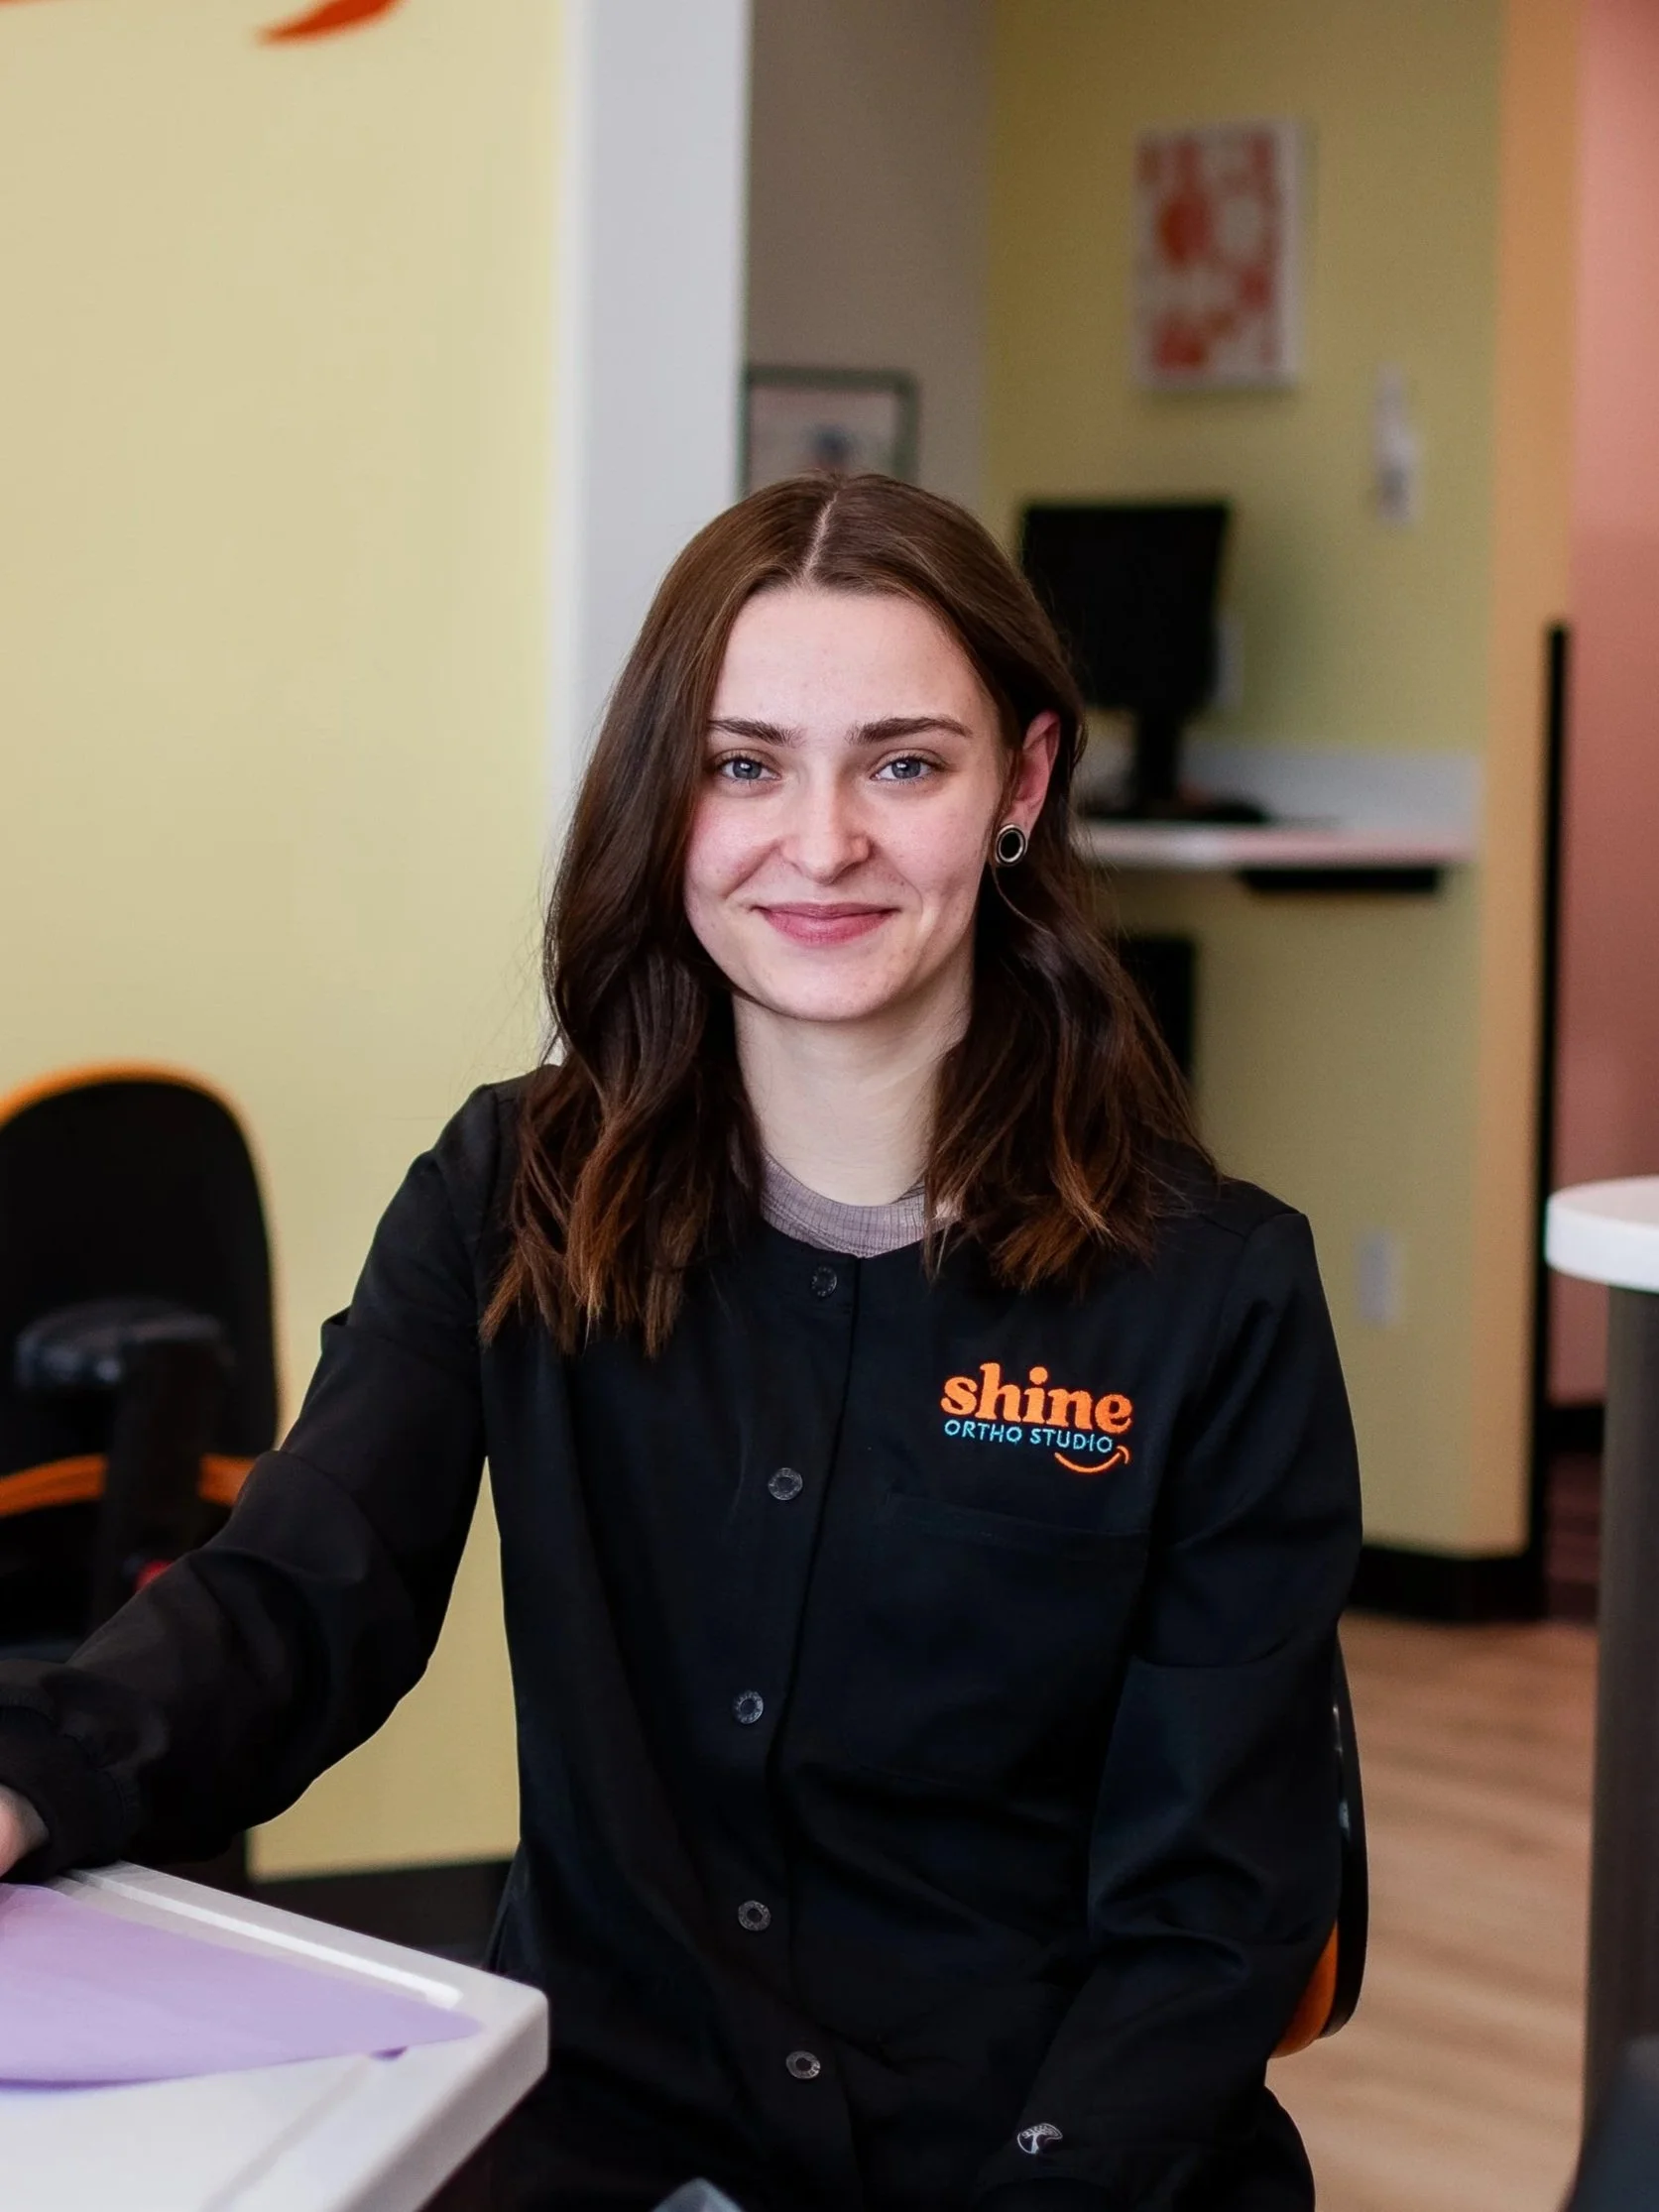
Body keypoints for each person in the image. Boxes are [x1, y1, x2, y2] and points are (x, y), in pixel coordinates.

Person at [0, 475, 1361, 2211]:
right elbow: (299, 1597)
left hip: (1039, 2161)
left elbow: (1209, 1919)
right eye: (745, 765)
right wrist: (27, 1777)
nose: (820, 842)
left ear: (1019, 785)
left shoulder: (1208, 1292)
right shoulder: (513, 1190)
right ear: (670, 798)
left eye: (904, 762)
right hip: (606, 2128)